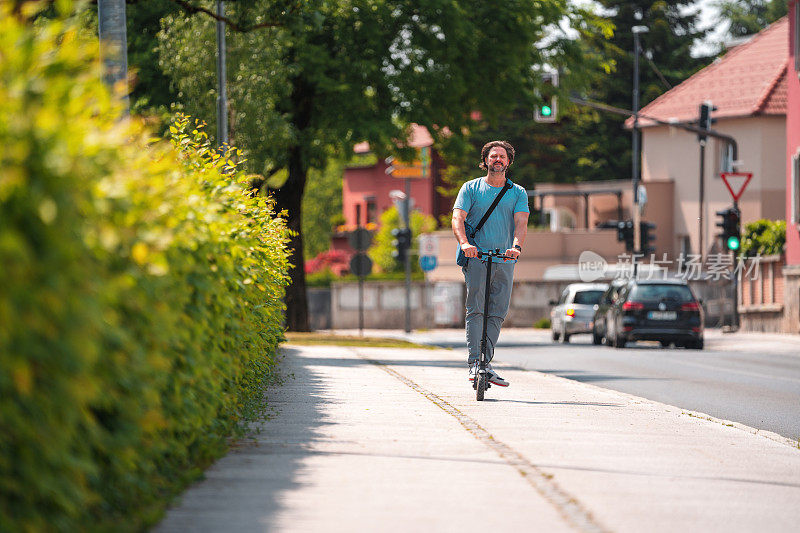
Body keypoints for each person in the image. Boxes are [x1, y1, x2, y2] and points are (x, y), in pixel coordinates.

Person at [451, 141, 529, 387]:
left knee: (497, 312)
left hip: (505, 259)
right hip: (477, 258)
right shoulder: (470, 188)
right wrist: (464, 244)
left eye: (502, 156)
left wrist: (516, 247)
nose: (498, 160)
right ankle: (475, 362)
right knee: (476, 309)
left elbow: (521, 224)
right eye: (493, 156)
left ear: (509, 162)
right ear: (485, 161)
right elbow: (458, 218)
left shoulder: (518, 192)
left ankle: (486, 363)